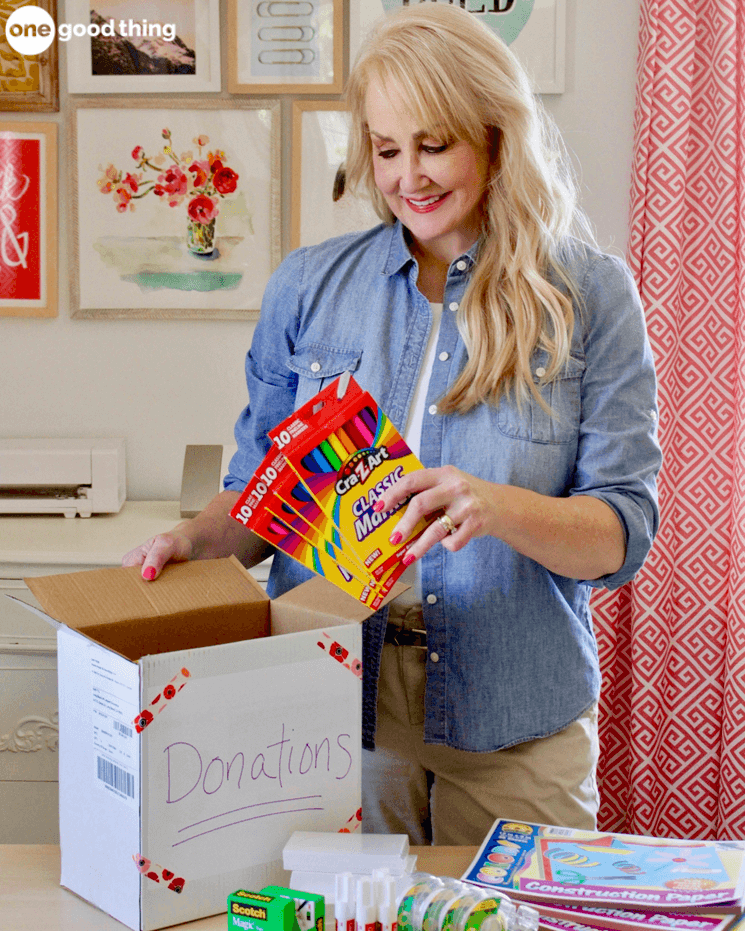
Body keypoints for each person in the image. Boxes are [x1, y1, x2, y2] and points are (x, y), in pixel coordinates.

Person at [123, 4, 661, 846]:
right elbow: (264, 499)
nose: (407, 175)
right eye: (385, 149)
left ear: (492, 135)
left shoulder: (589, 297)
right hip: (336, 707)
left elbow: (619, 536)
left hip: (516, 714)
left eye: (434, 143)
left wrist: (494, 505)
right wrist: (199, 538)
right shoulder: (307, 289)